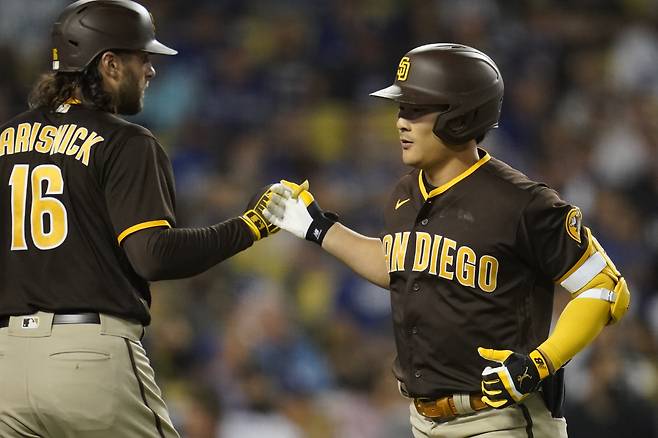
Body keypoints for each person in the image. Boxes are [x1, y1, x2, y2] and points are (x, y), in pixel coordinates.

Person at [263, 43, 631, 437]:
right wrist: (319, 228)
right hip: (423, 421)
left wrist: (541, 361)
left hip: (500, 420)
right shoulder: (406, 193)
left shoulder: (522, 202)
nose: (401, 122)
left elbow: (607, 289)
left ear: (460, 116)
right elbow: (399, 265)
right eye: (402, 109)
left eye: (416, 109)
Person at [0, 1, 278, 437]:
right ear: (109, 63)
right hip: (87, 358)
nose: (150, 71)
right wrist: (251, 226)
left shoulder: (5, 138)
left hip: (5, 364)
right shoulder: (125, 141)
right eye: (142, 58)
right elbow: (153, 256)